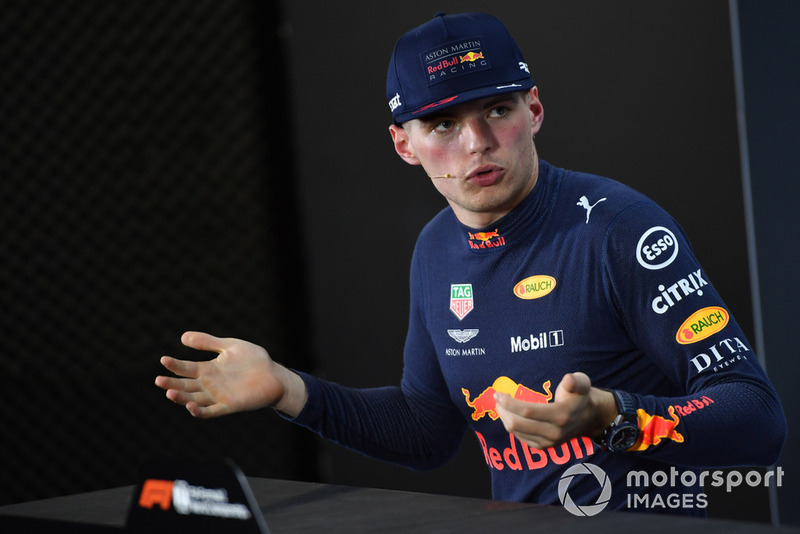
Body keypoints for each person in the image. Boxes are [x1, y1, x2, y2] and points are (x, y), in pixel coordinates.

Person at [156, 12, 785, 514]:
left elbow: (756, 416)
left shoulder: (621, 229)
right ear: (405, 144)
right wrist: (289, 391)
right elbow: (427, 430)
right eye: (442, 123)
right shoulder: (435, 248)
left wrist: (613, 416)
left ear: (534, 110)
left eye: (497, 110)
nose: (478, 142)